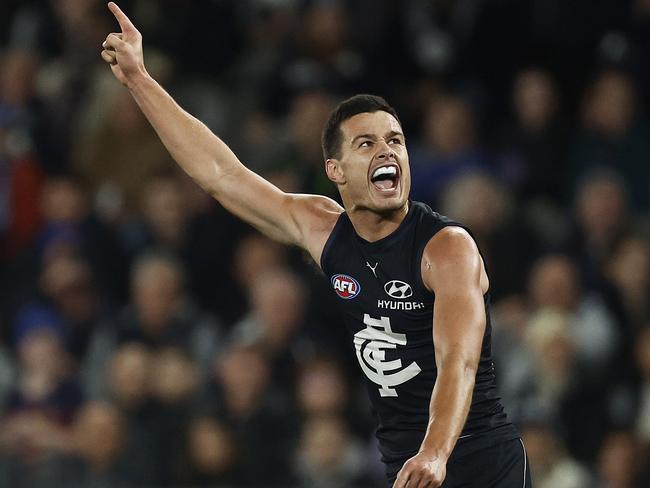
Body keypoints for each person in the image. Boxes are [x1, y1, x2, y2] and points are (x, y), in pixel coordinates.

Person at [99, 3, 528, 486]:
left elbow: (459, 360)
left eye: (395, 140)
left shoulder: (446, 248)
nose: (387, 151)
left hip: (476, 459)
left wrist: (434, 452)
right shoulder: (323, 229)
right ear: (335, 171)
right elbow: (220, 174)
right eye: (366, 144)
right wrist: (138, 79)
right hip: (406, 463)